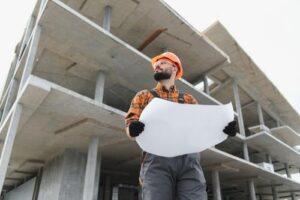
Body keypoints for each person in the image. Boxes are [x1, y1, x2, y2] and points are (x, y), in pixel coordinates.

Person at [124, 52, 237, 200]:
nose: (157, 66)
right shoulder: (144, 96)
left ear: (175, 68)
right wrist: (132, 129)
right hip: (157, 160)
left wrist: (224, 128)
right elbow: (130, 124)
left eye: (162, 63)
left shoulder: (188, 99)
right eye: (156, 65)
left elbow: (202, 125)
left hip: (189, 161)